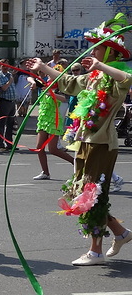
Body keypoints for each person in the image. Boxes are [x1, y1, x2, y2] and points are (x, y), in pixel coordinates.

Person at [26, 14, 132, 266]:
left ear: (110, 52)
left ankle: (95, 251)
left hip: (102, 143)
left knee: (91, 194)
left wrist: (101, 66)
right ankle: (120, 233)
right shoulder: (93, 78)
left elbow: (126, 79)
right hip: (84, 140)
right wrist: (43, 67)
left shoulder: (115, 76)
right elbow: (68, 82)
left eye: (98, 48)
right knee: (81, 192)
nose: (92, 52)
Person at [26, 73, 74, 180]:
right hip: (44, 119)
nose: (48, 77)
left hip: (53, 120)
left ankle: (74, 162)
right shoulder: (44, 84)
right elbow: (29, 77)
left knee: (53, 149)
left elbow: (64, 99)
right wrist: (33, 82)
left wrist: (51, 93)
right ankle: (45, 172)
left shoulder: (60, 87)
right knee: (39, 147)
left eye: (50, 75)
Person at [0, 59, 17, 152]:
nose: (5, 67)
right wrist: (10, 81)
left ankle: (9, 143)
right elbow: (3, 88)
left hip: (12, 102)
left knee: (10, 124)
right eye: (3, 65)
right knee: (2, 124)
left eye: (7, 65)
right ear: (0, 66)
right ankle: (0, 143)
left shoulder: (9, 74)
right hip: (4, 101)